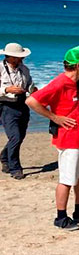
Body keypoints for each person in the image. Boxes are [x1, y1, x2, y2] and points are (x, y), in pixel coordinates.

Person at [26, 46, 79, 230]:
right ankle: (60, 217)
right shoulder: (60, 83)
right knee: (67, 179)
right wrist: (54, 117)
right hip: (69, 139)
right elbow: (32, 101)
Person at [1, 42, 36, 180]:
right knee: (15, 137)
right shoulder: (0, 68)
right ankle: (15, 168)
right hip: (6, 105)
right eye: (19, 57)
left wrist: (34, 91)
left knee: (20, 136)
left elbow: (30, 85)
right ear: (10, 56)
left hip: (22, 104)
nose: (22, 59)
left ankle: (4, 156)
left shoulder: (25, 69)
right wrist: (7, 89)